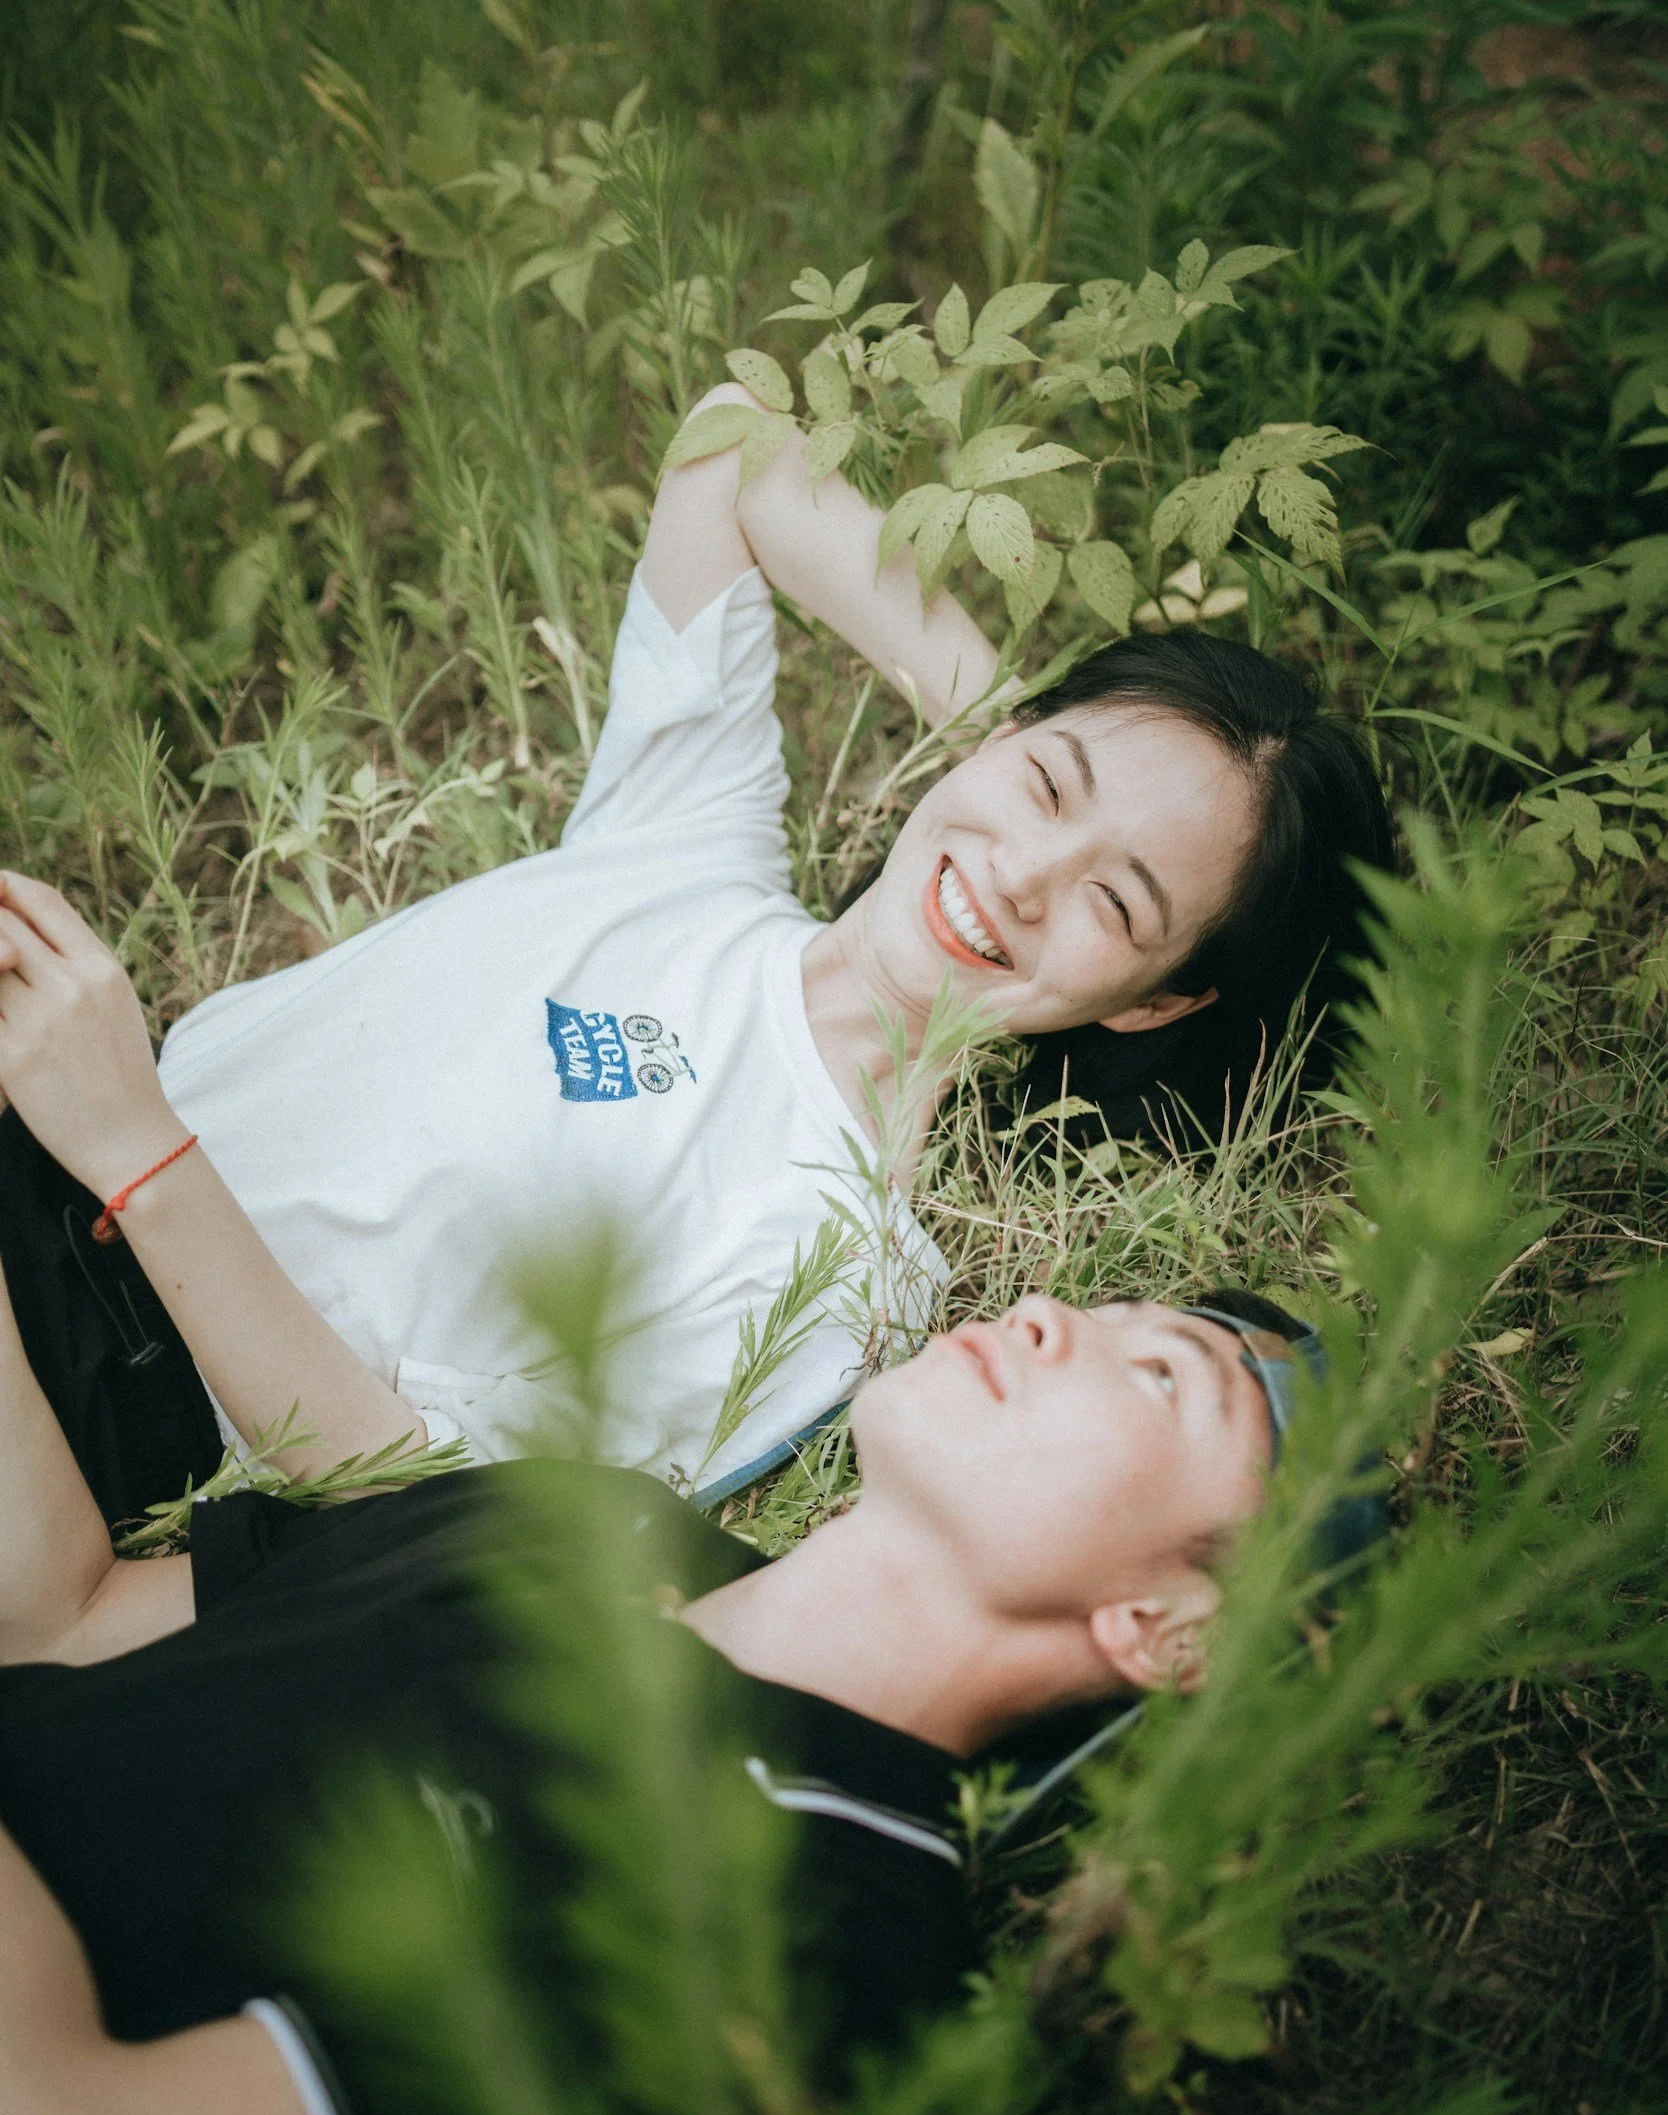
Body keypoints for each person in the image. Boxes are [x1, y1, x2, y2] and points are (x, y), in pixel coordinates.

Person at [0, 1165, 1346, 2115]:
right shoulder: (593, 1525)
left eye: (1160, 1375)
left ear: (1172, 1631)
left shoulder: (818, 1977)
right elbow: (63, 1620)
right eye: (1108, 1311)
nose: (1051, 1313)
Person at [0, 382, 1396, 1514]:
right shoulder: (692, 835)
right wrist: (1006, 730)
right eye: (1045, 785)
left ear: (1157, 1005)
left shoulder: (850, 1275)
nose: (1022, 876)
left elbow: (414, 1502)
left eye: (1116, 904)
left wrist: (142, 1155)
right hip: (40, 1115)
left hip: (102, 1377)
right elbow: (735, 445)